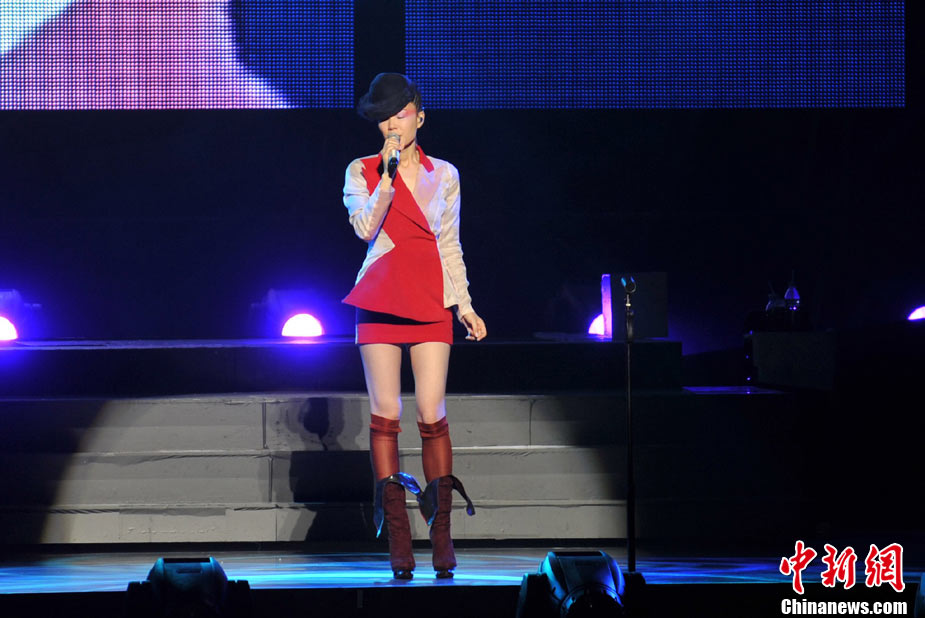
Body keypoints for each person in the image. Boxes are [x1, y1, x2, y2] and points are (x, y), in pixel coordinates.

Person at [342, 73, 487, 580]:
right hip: (380, 295)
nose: (392, 125)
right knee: (386, 413)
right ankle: (398, 538)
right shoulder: (360, 170)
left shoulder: (444, 174)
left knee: (431, 411)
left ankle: (441, 535)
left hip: (430, 298)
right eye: (383, 118)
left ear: (419, 117)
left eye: (400, 115)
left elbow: (450, 243)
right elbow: (365, 228)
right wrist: (386, 177)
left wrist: (465, 306)